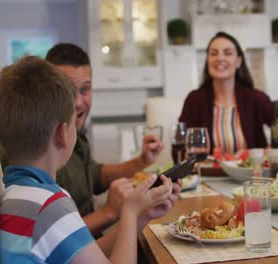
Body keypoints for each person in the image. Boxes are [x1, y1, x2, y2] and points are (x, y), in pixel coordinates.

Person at [0, 56, 174, 263]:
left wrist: (142, 217)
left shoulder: (15, 195)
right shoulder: (51, 205)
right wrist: (130, 213)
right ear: (62, 133)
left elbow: (86, 252)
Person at [43, 43, 180, 237]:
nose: (78, 102)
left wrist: (142, 161)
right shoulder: (37, 147)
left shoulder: (77, 138)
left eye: (85, 90)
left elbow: (96, 175)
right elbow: (51, 236)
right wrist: (109, 213)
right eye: (68, 92)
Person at [178, 31, 278, 154]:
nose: (220, 58)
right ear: (207, 61)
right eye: (213, 53)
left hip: (251, 172)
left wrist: (266, 152)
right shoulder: (194, 100)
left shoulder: (255, 98)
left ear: (239, 61)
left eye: (227, 53)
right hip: (207, 172)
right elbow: (180, 147)